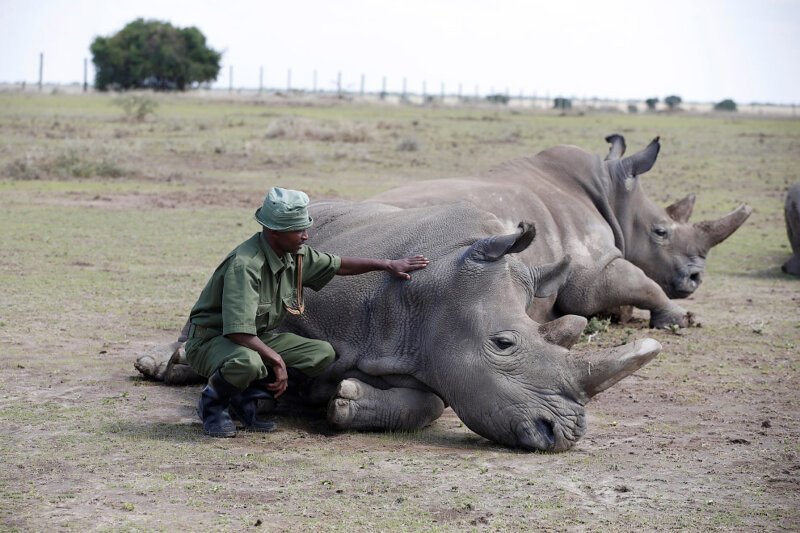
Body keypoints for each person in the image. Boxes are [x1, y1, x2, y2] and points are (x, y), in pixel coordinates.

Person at [185, 187, 429, 437]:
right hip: (212, 340)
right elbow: (238, 332)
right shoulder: (245, 266)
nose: (305, 235)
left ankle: (245, 398)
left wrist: (387, 265)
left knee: (321, 353)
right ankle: (211, 406)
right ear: (275, 232)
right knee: (248, 361)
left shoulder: (293, 256)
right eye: (298, 230)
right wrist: (277, 360)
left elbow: (338, 265)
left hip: (255, 337)